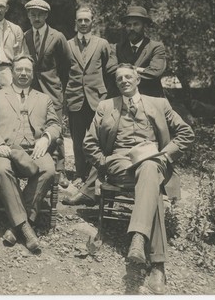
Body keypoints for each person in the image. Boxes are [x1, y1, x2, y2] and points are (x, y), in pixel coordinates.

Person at [81, 63, 194, 294]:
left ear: (137, 80)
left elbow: (186, 133)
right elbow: (88, 143)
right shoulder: (105, 106)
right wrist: (104, 163)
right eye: (119, 78)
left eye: (128, 77)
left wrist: (165, 154)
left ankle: (139, 240)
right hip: (120, 162)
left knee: (150, 169)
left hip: (153, 158)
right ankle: (158, 266)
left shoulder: (159, 104)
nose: (123, 80)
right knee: (150, 179)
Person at [0, 54, 61, 252]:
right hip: (6, 149)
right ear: (12, 72)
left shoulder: (44, 99)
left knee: (49, 170)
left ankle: (16, 227)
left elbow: (55, 124)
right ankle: (25, 227)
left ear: (33, 74)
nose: (23, 73)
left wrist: (46, 138)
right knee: (1, 170)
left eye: (27, 70)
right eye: (19, 70)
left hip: (35, 149)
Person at [22, 0, 71, 188]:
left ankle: (60, 171)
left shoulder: (57, 37)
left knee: (56, 131)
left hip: (52, 90)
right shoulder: (25, 36)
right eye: (33, 14)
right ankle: (37, 167)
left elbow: (66, 65)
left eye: (40, 14)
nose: (36, 17)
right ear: (28, 16)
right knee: (34, 129)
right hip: (32, 92)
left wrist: (58, 86)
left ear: (46, 16)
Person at [62, 5, 113, 185]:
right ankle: (79, 174)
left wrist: (106, 96)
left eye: (86, 20)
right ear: (75, 23)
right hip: (75, 98)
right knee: (78, 139)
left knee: (97, 138)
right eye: (80, 20)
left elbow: (110, 71)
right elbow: (63, 72)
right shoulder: (67, 45)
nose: (83, 23)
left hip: (97, 99)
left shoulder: (102, 44)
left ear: (93, 22)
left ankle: (95, 176)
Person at [108, 6, 166, 97]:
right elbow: (111, 69)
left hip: (150, 98)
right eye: (128, 25)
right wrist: (140, 69)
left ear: (144, 26)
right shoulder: (116, 48)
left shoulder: (156, 47)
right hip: (123, 99)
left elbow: (155, 72)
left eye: (136, 24)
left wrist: (123, 71)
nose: (131, 28)